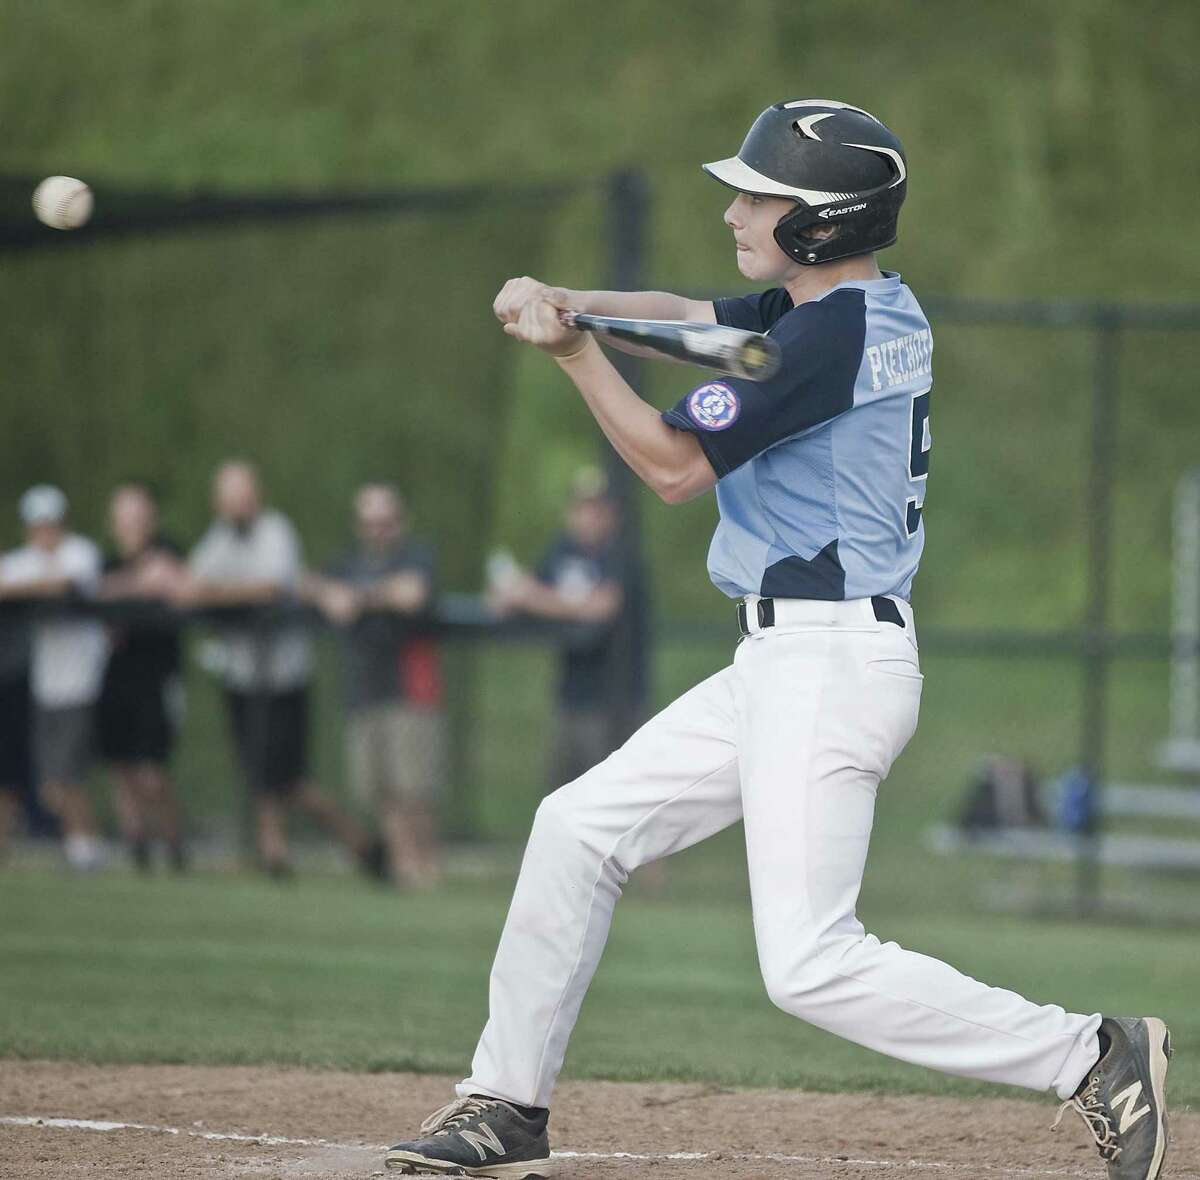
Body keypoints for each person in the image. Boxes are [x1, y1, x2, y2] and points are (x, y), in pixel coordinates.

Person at [384, 101, 1171, 1180]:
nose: (735, 209)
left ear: (823, 224)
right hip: (785, 663)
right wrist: (579, 302)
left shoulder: (820, 339)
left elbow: (669, 467)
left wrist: (572, 353)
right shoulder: (847, 310)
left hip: (830, 665)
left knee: (807, 961)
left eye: (762, 197)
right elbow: (686, 312)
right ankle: (507, 1104)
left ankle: (1091, 1051)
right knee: (575, 830)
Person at [182, 461, 380, 879]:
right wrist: (223, 592)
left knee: (288, 780)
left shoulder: (276, 531)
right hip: (241, 676)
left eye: (241, 493)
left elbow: (271, 585)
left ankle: (345, 843)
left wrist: (218, 593)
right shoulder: (219, 539)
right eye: (227, 495)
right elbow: (189, 586)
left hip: (282, 678)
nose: (235, 503)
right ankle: (285, 851)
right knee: (261, 774)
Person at [307, 483, 443, 887]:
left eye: (385, 522)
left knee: (413, 788)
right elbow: (308, 582)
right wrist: (325, 591)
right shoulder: (346, 562)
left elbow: (413, 594)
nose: (377, 530)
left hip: (409, 687)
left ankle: (427, 867)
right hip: (363, 689)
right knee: (377, 789)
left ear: (399, 522)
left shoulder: (416, 555)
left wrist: (360, 598)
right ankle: (404, 867)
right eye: (370, 523)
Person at [489, 467, 649, 789]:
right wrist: (520, 592)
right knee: (562, 794)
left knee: (610, 794)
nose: (587, 517)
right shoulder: (562, 550)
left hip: (616, 700)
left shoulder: (621, 555)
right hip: (570, 697)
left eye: (595, 509)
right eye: (580, 508)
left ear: (610, 514)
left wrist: (534, 597)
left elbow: (601, 607)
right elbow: (506, 597)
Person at [0, 486, 108, 871]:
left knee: (68, 774)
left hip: (81, 681)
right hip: (45, 684)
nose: (44, 532)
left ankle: (85, 846)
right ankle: (80, 842)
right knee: (51, 781)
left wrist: (28, 588)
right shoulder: (23, 561)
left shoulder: (80, 553)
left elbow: (64, 583)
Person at [97, 482, 189, 872]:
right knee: (122, 767)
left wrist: (133, 586)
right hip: (117, 674)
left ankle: (173, 840)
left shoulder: (170, 551)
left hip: (158, 674)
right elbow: (99, 593)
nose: (131, 523)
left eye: (137, 514)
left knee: (152, 771)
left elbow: (176, 583)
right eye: (124, 515)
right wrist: (136, 583)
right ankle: (136, 843)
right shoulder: (108, 563)